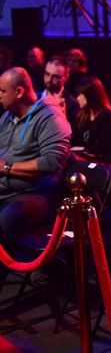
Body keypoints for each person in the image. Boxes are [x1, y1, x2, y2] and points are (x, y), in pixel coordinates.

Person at [0, 67, 71, 250]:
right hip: (5, 189)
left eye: (2, 91)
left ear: (19, 92)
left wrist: (7, 167)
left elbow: (52, 163)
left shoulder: (50, 118)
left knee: (9, 217)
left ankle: (12, 263)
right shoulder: (8, 117)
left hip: (34, 193)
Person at [72, 77, 111, 164]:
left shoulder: (108, 116)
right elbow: (74, 138)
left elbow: (103, 147)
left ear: (90, 96)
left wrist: (82, 149)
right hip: (83, 157)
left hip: (99, 161)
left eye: (80, 95)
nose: (77, 98)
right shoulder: (82, 114)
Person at [41, 56, 79, 130]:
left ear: (66, 77)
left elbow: (74, 134)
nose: (49, 80)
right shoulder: (34, 98)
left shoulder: (73, 105)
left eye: (55, 76)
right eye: (47, 74)